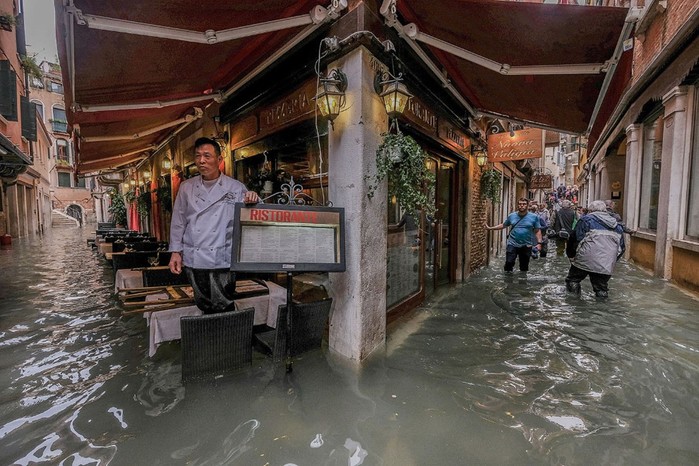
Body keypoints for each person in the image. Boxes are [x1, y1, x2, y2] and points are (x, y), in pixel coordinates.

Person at [169, 137, 260, 313]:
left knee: (225, 302)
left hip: (222, 256)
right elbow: (178, 221)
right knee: (202, 303)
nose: (201, 160)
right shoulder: (186, 187)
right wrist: (175, 252)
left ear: (219, 160)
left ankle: (227, 337)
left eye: (207, 156)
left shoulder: (235, 187)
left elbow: (254, 215)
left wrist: (254, 198)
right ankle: (209, 336)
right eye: (198, 156)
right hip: (194, 256)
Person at [565, 200, 626, 298]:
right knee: (601, 288)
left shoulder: (586, 220)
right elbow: (622, 248)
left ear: (590, 210)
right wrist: (611, 261)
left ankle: (574, 305)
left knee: (573, 280)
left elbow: (575, 239)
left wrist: (571, 256)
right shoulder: (617, 226)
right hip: (605, 262)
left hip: (585, 259)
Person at [485, 198, 543, 272]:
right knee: (509, 263)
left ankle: (522, 282)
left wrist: (539, 243)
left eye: (524, 204)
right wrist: (490, 228)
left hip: (526, 244)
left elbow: (537, 231)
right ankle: (508, 281)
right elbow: (504, 225)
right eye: (520, 204)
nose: (521, 206)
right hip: (512, 243)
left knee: (524, 267)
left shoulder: (534, 217)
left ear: (528, 206)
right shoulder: (512, 216)